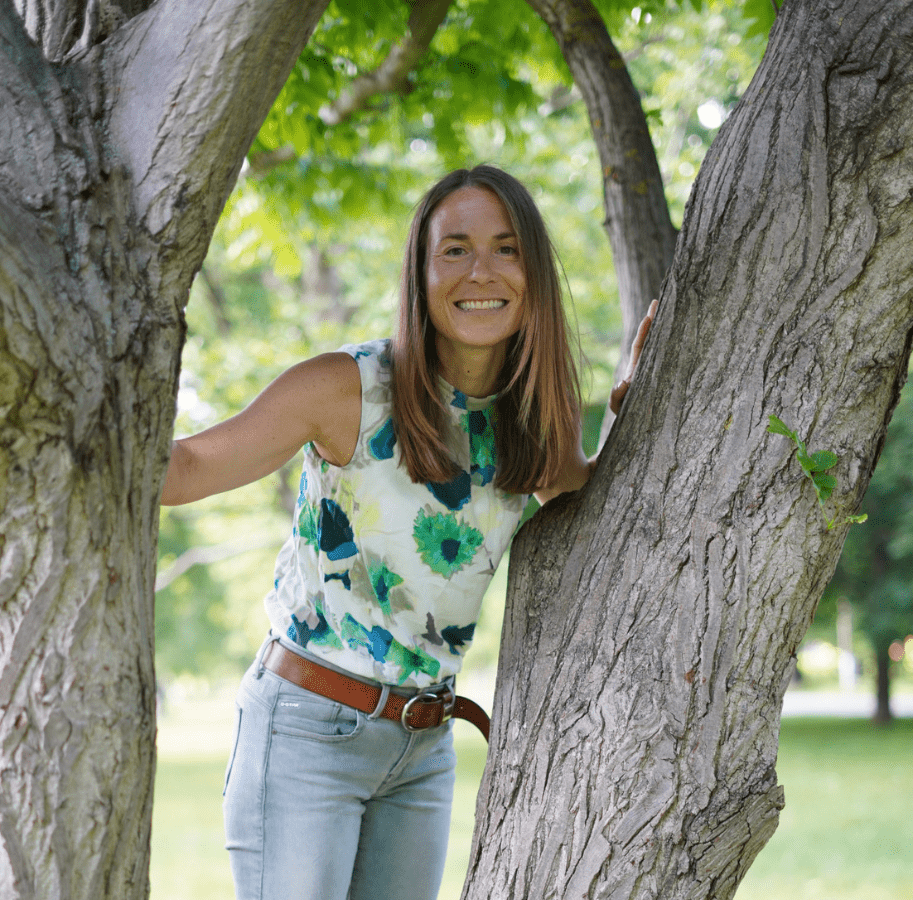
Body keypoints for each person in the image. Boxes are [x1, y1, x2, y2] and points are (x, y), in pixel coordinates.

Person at [160, 164, 655, 900]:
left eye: (505, 248)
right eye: (454, 249)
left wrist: (641, 399)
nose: (480, 271)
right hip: (305, 733)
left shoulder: (529, 420)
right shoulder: (346, 388)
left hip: (424, 747)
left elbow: (583, 487)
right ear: (420, 275)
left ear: (534, 275)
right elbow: (188, 469)